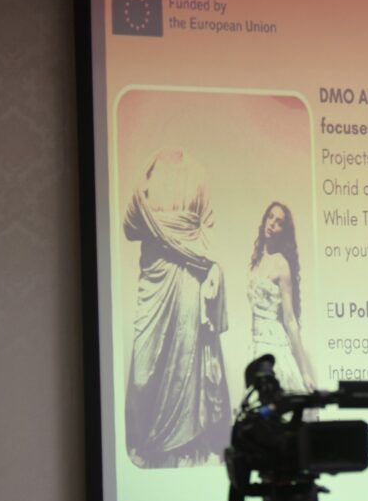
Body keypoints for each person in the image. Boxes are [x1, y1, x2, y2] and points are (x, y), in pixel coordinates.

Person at [123, 148, 231, 468]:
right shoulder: (147, 171)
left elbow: (208, 227)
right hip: (156, 272)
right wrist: (143, 205)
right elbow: (130, 228)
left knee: (187, 355)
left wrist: (213, 266)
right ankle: (150, 440)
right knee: (144, 368)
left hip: (189, 272)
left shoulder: (198, 171)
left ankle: (184, 444)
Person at [248, 201, 317, 393]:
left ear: (283, 231)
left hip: (274, 346)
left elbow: (289, 319)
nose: (272, 224)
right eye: (270, 217)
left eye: (279, 222)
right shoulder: (257, 261)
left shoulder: (281, 264)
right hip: (256, 345)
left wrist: (305, 372)